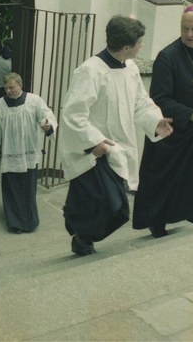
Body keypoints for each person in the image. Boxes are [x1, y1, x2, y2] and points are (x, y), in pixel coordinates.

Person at [60, 15, 173, 256]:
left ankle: (82, 236)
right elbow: (72, 114)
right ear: (125, 47)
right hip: (97, 153)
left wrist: (155, 120)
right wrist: (95, 142)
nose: (142, 46)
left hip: (120, 149)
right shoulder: (90, 71)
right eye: (139, 43)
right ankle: (81, 235)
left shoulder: (130, 68)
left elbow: (140, 102)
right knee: (113, 207)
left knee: (113, 206)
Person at [132, 5, 193, 238]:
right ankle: (158, 222)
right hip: (173, 130)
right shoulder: (168, 56)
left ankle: (190, 214)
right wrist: (188, 113)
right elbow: (159, 98)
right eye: (185, 28)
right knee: (167, 180)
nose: (189, 34)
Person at [0, 73, 57, 233]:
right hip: (10, 152)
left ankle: (29, 222)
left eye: (11, 87)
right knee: (11, 188)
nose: (8, 91)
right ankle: (15, 223)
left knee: (27, 189)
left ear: (20, 85)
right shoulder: (0, 104)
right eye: (6, 88)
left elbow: (47, 117)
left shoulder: (34, 101)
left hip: (28, 152)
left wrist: (48, 125)